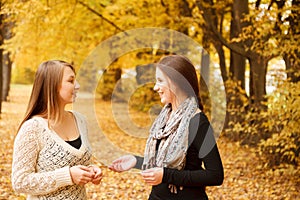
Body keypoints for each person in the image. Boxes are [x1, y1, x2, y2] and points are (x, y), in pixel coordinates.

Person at [109, 55, 224, 200]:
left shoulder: (198, 121)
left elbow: (215, 175)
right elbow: (163, 162)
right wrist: (135, 161)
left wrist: (166, 175)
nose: (155, 87)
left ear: (177, 83)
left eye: (160, 81)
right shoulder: (165, 116)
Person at [11, 60, 102, 200]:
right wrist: (68, 176)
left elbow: (75, 161)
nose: (77, 86)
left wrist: (91, 170)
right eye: (71, 81)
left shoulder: (80, 120)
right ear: (52, 85)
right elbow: (20, 182)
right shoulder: (33, 128)